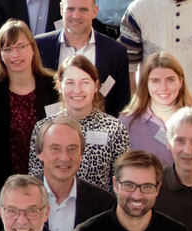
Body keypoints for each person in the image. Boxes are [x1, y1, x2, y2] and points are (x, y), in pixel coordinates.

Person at [0, 20, 58, 180]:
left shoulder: (52, 84)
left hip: (47, 178)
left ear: (33, 48)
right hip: (2, 179)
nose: (15, 55)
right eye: (8, 49)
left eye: (21, 47)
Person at [29, 57, 130, 187]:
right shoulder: (43, 128)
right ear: (59, 86)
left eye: (85, 82)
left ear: (96, 86)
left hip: (100, 206)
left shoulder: (115, 129)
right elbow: (35, 180)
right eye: (70, 82)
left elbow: (121, 182)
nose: (77, 90)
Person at [34, 0, 131, 117]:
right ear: (61, 9)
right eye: (70, 9)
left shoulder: (115, 52)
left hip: (99, 134)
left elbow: (121, 104)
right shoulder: (39, 45)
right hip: (50, 130)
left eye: (83, 9)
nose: (76, 16)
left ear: (94, 11)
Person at [33, 115, 117, 231]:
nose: (64, 157)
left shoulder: (105, 204)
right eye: (55, 148)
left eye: (72, 149)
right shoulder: (18, 199)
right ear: (40, 153)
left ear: (81, 155)